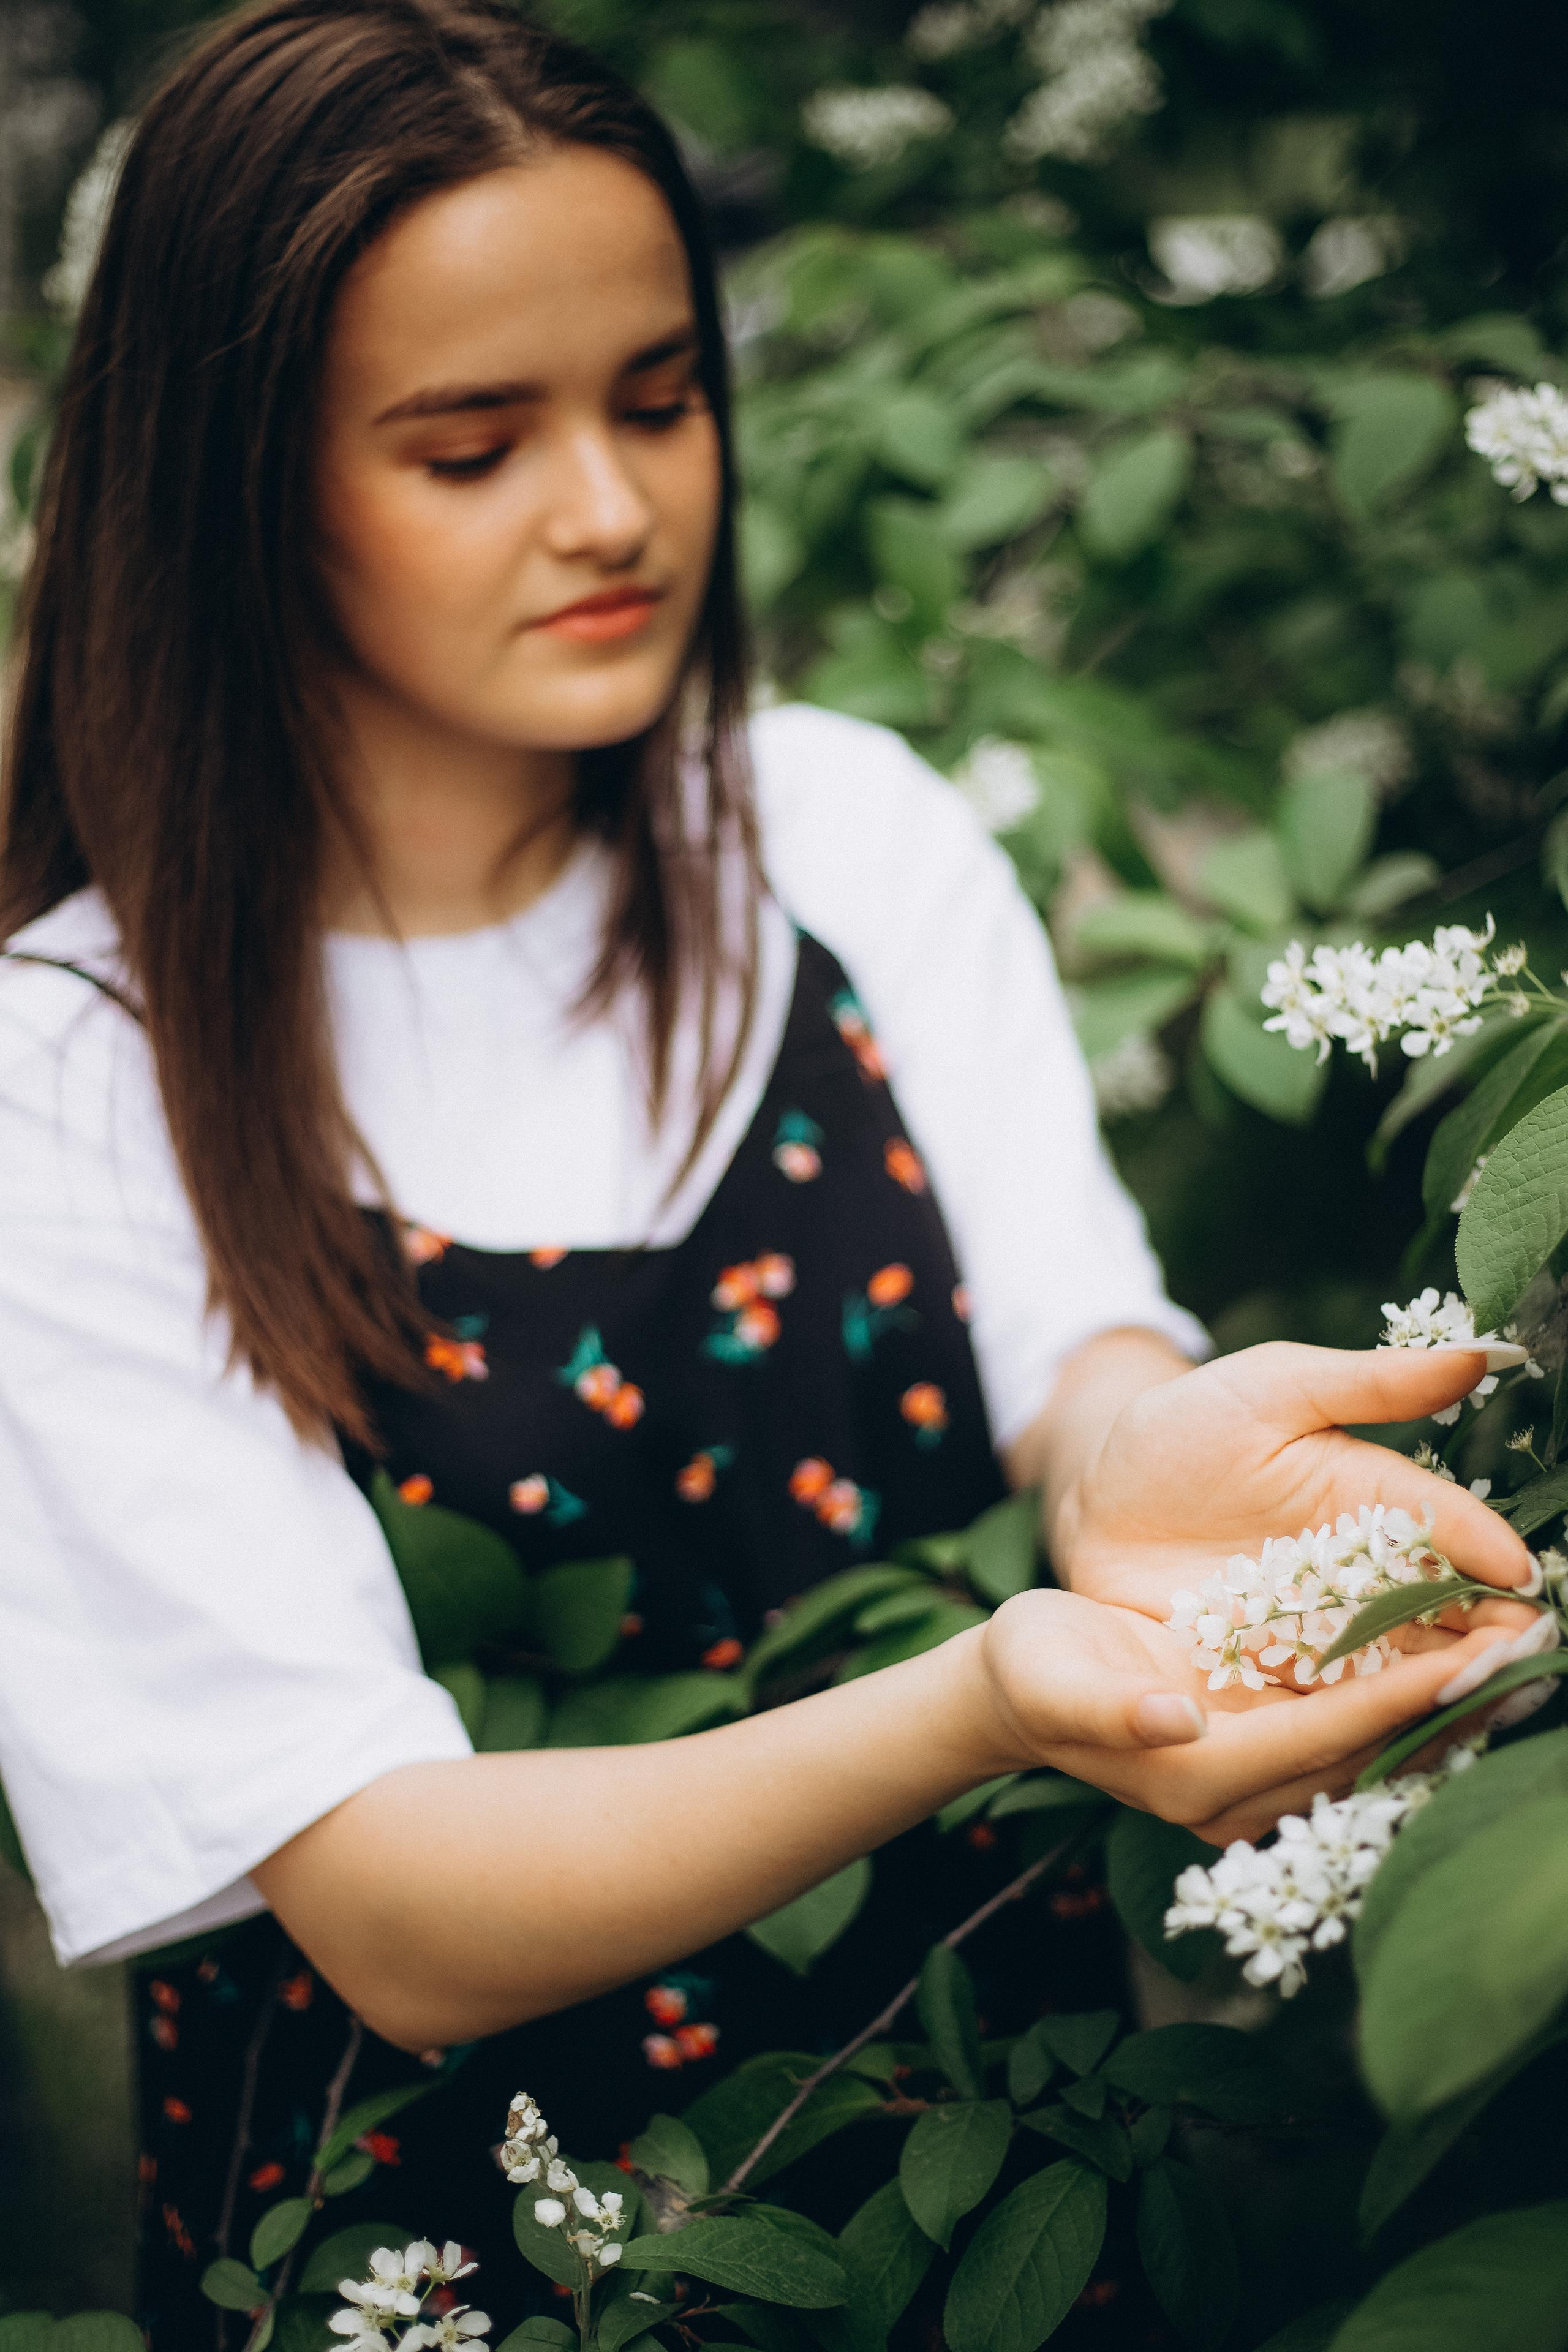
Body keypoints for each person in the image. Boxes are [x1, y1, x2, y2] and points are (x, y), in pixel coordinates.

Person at [0, 0, 1539, 2337]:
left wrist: (1156, 1470)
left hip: (997, 2195)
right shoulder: (77, 1068)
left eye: (657, 398)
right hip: (452, 2264)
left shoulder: (837, 836)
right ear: (233, 488)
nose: (611, 511)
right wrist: (990, 1699)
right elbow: (391, 1908)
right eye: (471, 445)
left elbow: (1070, 1358)